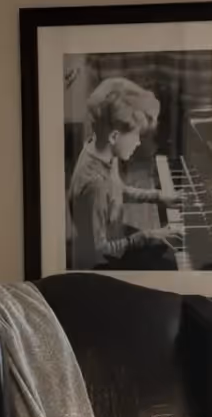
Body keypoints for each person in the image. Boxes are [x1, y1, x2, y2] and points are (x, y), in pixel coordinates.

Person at [67, 76, 183, 271]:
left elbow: (118, 190)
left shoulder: (98, 149)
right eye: (136, 135)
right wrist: (147, 235)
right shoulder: (95, 184)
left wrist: (159, 197)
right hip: (102, 263)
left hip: (113, 233)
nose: (138, 142)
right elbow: (99, 251)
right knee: (171, 264)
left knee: (166, 245)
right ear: (114, 136)